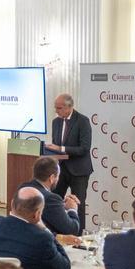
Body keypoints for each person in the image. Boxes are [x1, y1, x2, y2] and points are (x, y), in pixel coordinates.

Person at [44, 93, 92, 224]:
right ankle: (56, 231)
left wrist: (61, 148)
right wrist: (51, 149)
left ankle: (79, 237)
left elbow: (84, 148)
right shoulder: (56, 122)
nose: (56, 111)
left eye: (59, 108)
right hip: (60, 170)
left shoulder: (83, 121)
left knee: (78, 204)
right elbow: (56, 145)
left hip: (79, 170)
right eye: (55, 107)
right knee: (54, 201)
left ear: (69, 107)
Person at [21, 156, 82, 236]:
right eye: (58, 176)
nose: (58, 179)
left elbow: (49, 213)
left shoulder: (23, 188)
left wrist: (61, 205)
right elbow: (72, 229)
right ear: (52, 178)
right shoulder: (51, 199)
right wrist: (72, 209)